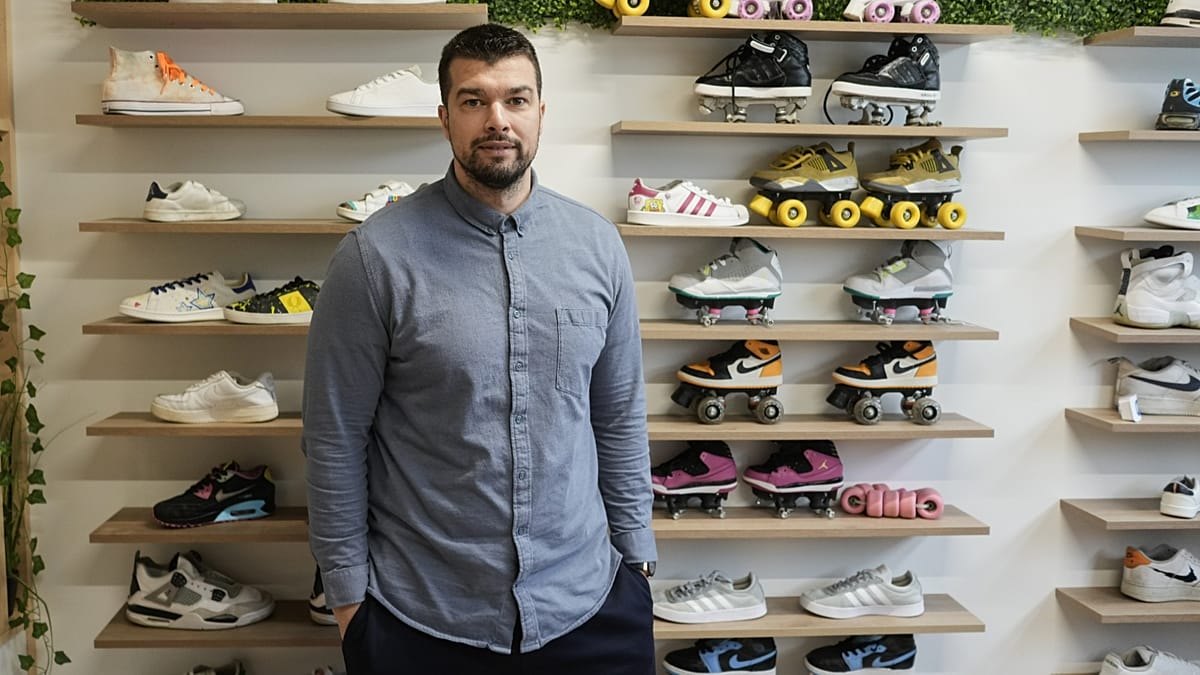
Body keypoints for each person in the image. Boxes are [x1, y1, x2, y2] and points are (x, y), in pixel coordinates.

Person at [302, 23, 657, 675]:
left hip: (591, 606)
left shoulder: (599, 246)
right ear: (444, 117)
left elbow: (619, 415)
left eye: (516, 99)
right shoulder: (374, 257)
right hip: (423, 617)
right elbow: (334, 437)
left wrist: (637, 559)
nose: (497, 119)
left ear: (541, 112)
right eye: (474, 100)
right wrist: (350, 601)